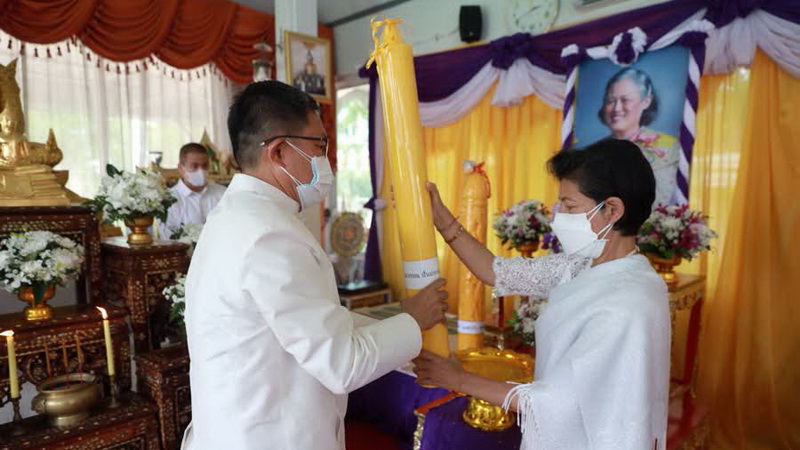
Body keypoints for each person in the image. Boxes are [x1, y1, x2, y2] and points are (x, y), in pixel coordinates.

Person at [181, 80, 449, 450]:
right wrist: (415, 322)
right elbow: (341, 363)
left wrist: (395, 321)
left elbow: (307, 321)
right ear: (278, 152)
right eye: (319, 145)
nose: (328, 159)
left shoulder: (234, 216)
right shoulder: (268, 235)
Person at [414, 139, 670, 449]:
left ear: (612, 210)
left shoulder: (628, 302)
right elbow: (496, 272)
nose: (558, 216)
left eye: (570, 206)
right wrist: (442, 219)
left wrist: (458, 379)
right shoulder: (582, 266)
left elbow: (556, 403)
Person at [598, 67, 680, 206]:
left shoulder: (669, 147)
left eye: (626, 100)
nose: (617, 108)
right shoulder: (593, 152)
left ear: (646, 101)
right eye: (611, 100)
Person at [160, 143, 226, 238]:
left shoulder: (223, 193)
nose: (201, 170)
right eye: (194, 166)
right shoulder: (170, 200)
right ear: (181, 168)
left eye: (205, 165)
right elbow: (168, 238)